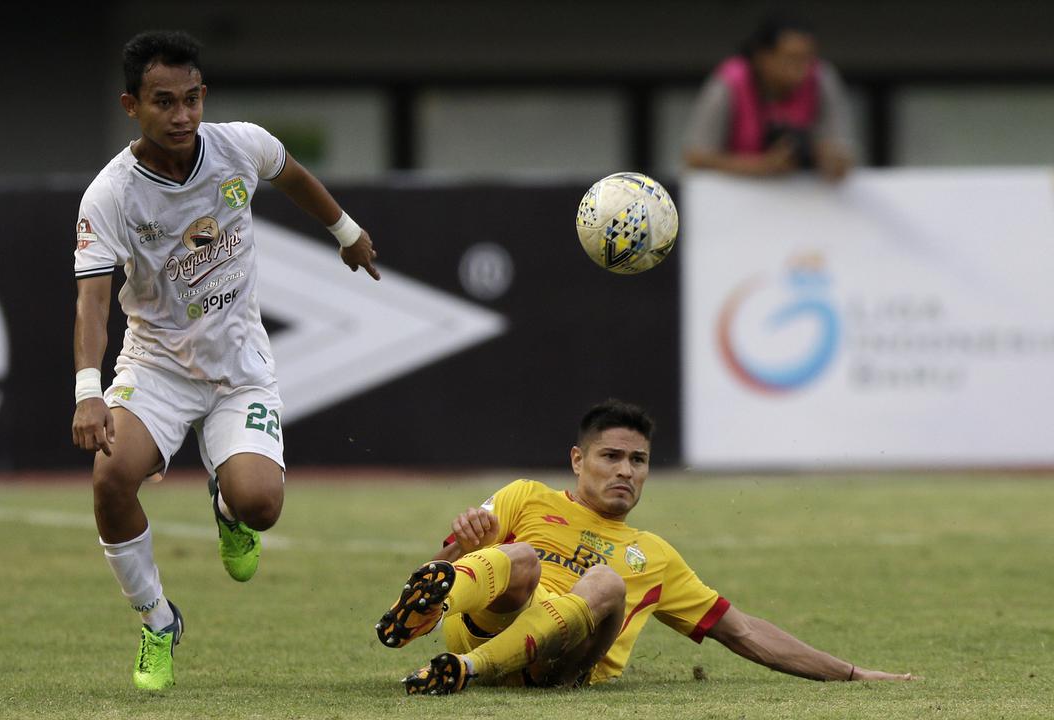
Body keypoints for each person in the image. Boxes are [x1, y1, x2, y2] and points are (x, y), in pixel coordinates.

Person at [71, 30, 380, 691]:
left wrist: (346, 233)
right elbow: (92, 302)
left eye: (191, 99)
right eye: (164, 102)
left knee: (261, 504)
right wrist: (87, 391)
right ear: (132, 105)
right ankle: (157, 622)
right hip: (155, 367)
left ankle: (229, 506)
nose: (181, 116)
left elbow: (292, 174)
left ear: (203, 95)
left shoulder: (240, 145)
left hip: (240, 368)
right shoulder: (111, 196)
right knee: (109, 479)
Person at [375, 399, 915, 694]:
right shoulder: (525, 497)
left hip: (560, 665)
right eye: (610, 456)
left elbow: (744, 632)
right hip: (481, 626)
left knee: (606, 583)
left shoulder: (654, 555)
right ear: (577, 460)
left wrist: (850, 672)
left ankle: (464, 673)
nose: (625, 471)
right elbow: (437, 566)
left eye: (638, 461)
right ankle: (438, 633)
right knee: (520, 558)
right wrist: (458, 548)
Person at [682, 14, 856, 181]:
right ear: (762, 56)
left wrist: (826, 157)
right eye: (791, 58)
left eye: (807, 59)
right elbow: (694, 158)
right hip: (734, 201)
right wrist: (762, 166)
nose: (801, 69)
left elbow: (843, 151)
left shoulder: (821, 78)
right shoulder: (729, 82)